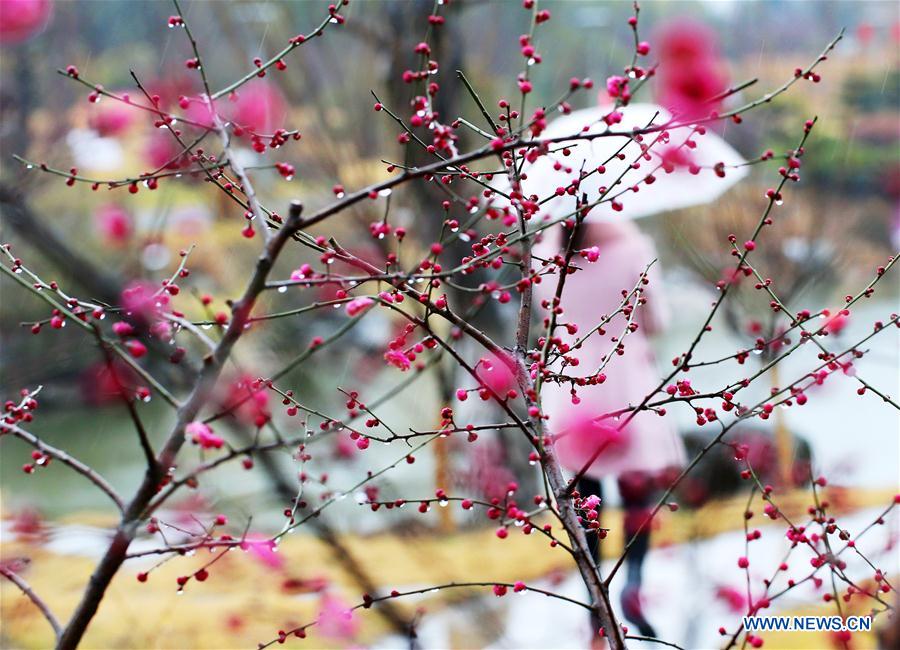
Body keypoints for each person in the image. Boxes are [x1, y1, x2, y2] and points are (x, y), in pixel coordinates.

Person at [534, 218, 686, 638]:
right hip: (625, 375)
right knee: (638, 492)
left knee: (586, 496)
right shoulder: (633, 247)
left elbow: (548, 317)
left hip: (572, 382)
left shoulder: (545, 257)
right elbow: (656, 320)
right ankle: (633, 584)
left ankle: (594, 600)